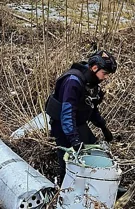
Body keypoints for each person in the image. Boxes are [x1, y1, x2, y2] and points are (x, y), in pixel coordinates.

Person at [45, 50, 117, 182]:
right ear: (95, 68)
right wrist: (74, 140)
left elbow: (91, 108)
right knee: (68, 161)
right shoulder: (73, 82)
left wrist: (103, 126)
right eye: (105, 73)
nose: (106, 77)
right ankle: (64, 189)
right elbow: (67, 113)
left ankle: (98, 185)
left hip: (79, 123)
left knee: (95, 154)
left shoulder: (91, 84)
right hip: (62, 126)